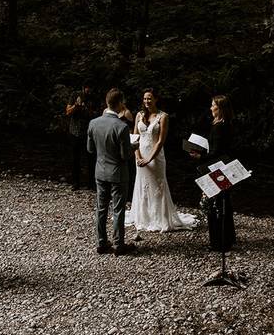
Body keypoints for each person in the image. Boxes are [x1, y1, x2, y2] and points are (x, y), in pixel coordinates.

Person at [126, 90, 197, 235]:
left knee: (157, 185)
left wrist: (149, 159)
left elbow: (160, 142)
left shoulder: (163, 116)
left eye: (150, 98)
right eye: (145, 98)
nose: (147, 101)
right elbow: (134, 137)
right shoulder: (139, 115)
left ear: (156, 99)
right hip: (140, 155)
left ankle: (159, 218)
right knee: (142, 184)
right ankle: (143, 217)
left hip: (155, 157)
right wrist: (138, 156)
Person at [87, 88, 135, 256]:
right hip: (118, 174)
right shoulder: (121, 127)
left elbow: (90, 149)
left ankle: (101, 243)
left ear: (107, 102)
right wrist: (133, 147)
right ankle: (118, 244)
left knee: (101, 208)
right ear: (120, 103)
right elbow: (125, 155)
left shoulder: (93, 123)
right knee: (118, 209)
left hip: (100, 171)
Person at [189, 95, 237, 251]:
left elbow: (216, 152)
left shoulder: (218, 127)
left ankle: (218, 242)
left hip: (216, 168)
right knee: (225, 203)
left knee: (215, 205)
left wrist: (200, 156)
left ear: (220, 108)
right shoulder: (227, 124)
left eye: (213, 105)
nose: (210, 108)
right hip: (226, 167)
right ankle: (228, 238)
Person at [66, 83, 98, 190]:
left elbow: (95, 115)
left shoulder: (94, 98)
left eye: (90, 88)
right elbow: (68, 112)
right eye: (87, 88)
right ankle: (76, 182)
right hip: (75, 132)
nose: (88, 90)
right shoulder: (75, 95)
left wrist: (85, 109)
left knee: (91, 158)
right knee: (75, 159)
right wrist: (76, 105)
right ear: (83, 88)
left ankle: (91, 183)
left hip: (89, 132)